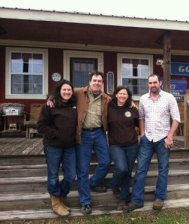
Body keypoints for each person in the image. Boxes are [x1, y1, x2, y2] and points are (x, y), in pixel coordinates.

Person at [124, 74, 180, 212]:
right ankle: (137, 200)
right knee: (141, 169)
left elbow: (176, 119)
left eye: (155, 82)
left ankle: (159, 198)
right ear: (148, 84)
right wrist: (142, 133)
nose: (153, 85)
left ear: (160, 83)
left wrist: (170, 136)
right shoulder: (143, 99)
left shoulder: (169, 98)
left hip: (163, 139)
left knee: (163, 170)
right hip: (147, 139)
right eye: (150, 83)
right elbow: (141, 117)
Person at [37, 79, 77, 217]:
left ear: (72, 92)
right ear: (59, 91)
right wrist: (57, 134)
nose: (67, 92)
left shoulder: (74, 104)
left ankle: (60, 197)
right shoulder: (50, 105)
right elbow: (41, 126)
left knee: (71, 175)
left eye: (69, 90)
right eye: (64, 90)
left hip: (70, 147)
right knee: (53, 175)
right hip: (53, 146)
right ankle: (55, 203)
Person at [74, 71, 111, 215]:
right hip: (83, 134)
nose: (97, 83)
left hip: (99, 132)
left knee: (106, 161)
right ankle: (85, 202)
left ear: (102, 83)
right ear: (89, 82)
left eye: (99, 81)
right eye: (94, 80)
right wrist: (51, 97)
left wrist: (132, 103)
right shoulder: (78, 93)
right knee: (83, 169)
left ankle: (93, 183)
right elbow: (61, 93)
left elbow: (121, 101)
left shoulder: (106, 98)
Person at [107, 86, 140, 210]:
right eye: (120, 93)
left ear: (128, 96)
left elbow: (139, 123)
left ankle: (123, 200)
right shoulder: (109, 107)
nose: (122, 96)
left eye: (125, 94)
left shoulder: (132, 108)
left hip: (132, 145)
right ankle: (114, 185)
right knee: (122, 169)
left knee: (128, 172)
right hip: (115, 145)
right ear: (116, 95)